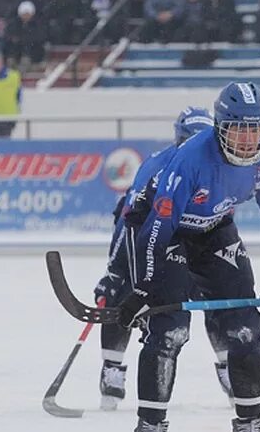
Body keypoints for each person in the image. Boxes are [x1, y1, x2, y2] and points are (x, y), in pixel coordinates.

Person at [118, 82, 260, 432]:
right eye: (239, 129)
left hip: (216, 230)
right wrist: (144, 287)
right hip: (165, 232)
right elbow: (156, 226)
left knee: (247, 331)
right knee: (169, 331)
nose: (248, 140)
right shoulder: (190, 160)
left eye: (256, 130)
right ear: (220, 128)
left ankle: (250, 427)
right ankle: (149, 431)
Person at [93, 106, 230, 411]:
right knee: (122, 291)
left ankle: (228, 365)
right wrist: (117, 271)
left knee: (220, 294)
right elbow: (128, 224)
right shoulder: (155, 168)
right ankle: (112, 368)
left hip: (193, 245)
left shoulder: (221, 168)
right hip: (150, 241)